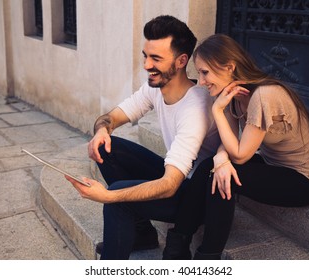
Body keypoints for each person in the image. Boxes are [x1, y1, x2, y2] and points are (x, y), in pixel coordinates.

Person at [65, 15, 220, 260]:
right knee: (108, 147)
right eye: (145, 56)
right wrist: (102, 130)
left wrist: (108, 196)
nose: (147, 65)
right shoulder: (155, 86)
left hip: (195, 197)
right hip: (177, 175)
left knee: (119, 199)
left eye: (156, 58)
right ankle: (142, 233)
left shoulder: (195, 108)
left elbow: (169, 186)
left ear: (181, 61)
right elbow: (111, 117)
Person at [163, 34, 309, 260]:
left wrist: (217, 111)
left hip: (302, 180)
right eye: (199, 73)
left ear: (229, 67)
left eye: (204, 72)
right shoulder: (235, 95)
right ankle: (177, 245)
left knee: (223, 177)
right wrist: (220, 158)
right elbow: (229, 144)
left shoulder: (265, 95)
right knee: (211, 166)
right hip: (272, 165)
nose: (200, 81)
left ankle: (207, 259)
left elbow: (239, 155)